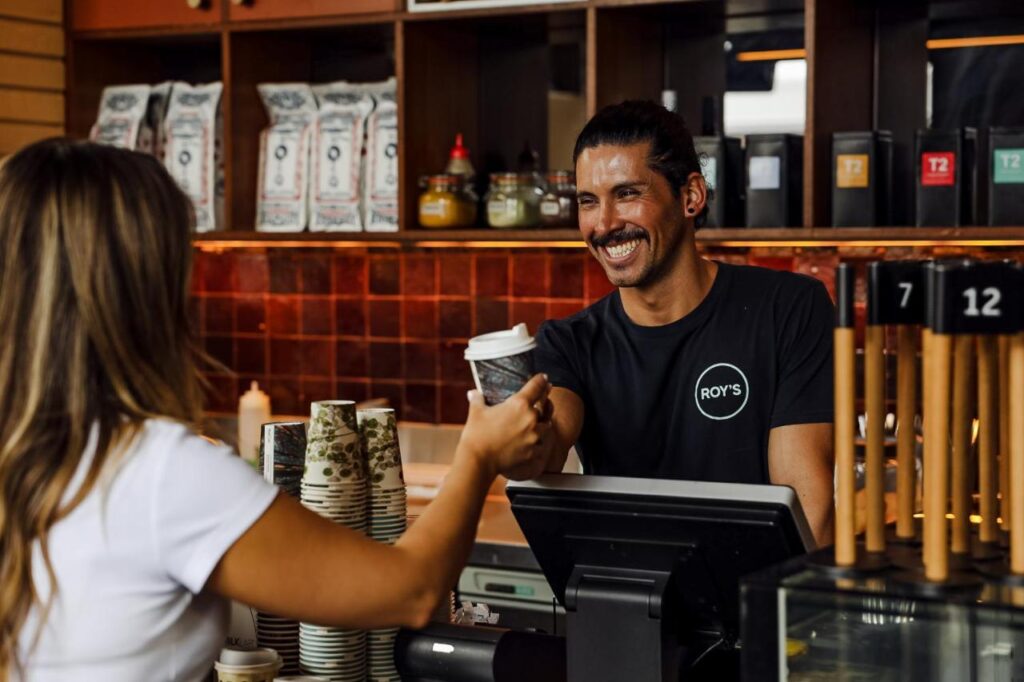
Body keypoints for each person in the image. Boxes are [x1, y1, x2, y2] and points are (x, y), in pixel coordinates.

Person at [0, 139, 552, 681]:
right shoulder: (161, 471)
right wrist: (478, 455)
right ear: (140, 286)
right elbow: (409, 591)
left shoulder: (27, 452)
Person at [533, 101, 835, 547]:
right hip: (627, 604)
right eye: (588, 202)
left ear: (691, 195)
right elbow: (543, 451)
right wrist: (515, 429)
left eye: (628, 194)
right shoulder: (568, 343)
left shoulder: (787, 309)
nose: (605, 224)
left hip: (753, 607)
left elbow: (808, 512)